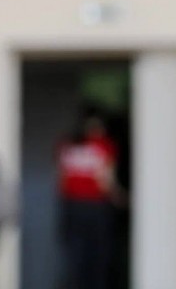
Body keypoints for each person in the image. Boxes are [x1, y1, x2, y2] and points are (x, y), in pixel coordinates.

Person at [57, 110, 120, 289]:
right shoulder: (104, 146)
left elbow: (61, 178)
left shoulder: (67, 146)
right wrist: (123, 199)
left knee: (75, 257)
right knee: (98, 258)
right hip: (96, 208)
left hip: (72, 207)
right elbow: (106, 182)